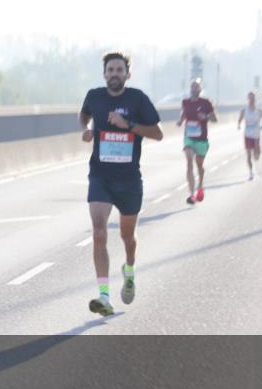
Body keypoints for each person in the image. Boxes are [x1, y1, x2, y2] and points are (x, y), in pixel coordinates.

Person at [79, 52, 163, 317]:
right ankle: (104, 296)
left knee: (127, 237)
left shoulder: (138, 99)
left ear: (128, 74)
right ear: (104, 74)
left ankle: (129, 269)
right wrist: (87, 128)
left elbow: (158, 133)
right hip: (100, 175)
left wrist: (128, 124)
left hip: (128, 180)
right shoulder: (94, 96)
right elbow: (84, 114)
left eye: (119, 70)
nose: (114, 74)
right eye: (110, 70)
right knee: (99, 232)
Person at [177, 78, 217, 204]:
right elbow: (184, 113)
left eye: (196, 87)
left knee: (199, 165)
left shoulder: (206, 103)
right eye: (192, 87)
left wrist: (206, 117)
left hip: (202, 139)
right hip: (189, 137)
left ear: (200, 89)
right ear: (190, 89)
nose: (194, 89)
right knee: (189, 162)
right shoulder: (185, 102)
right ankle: (191, 195)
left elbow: (215, 119)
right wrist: (180, 121)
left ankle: (200, 186)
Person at [237, 91, 262, 180]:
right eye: (250, 98)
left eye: (253, 98)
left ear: (255, 99)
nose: (251, 100)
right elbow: (240, 119)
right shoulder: (244, 110)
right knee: (248, 155)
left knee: (256, 156)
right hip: (247, 135)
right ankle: (250, 172)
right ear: (248, 99)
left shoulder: (259, 111)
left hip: (256, 135)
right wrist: (238, 125)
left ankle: (257, 152)